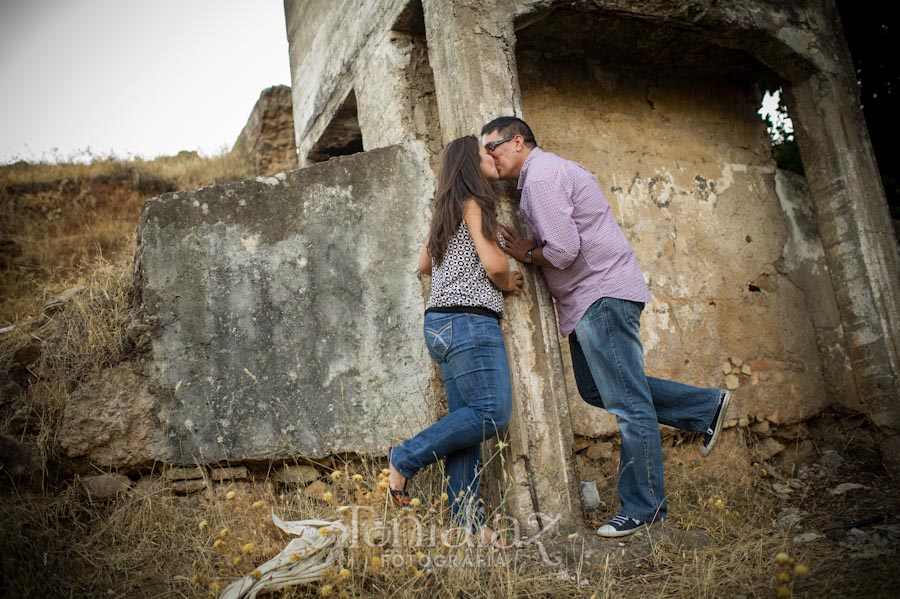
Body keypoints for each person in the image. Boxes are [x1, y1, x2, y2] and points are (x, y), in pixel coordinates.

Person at [480, 116, 732, 538]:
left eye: (493, 148)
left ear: (517, 141)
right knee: (596, 389)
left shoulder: (541, 177)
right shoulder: (544, 174)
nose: (490, 157)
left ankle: (645, 509)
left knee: (629, 405)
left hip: (602, 294)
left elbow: (563, 250)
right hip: (590, 299)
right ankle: (704, 408)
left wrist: (527, 251)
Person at [387, 135, 524, 546]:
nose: (491, 155)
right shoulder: (474, 204)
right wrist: (507, 282)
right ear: (469, 163)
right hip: (469, 322)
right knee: (491, 414)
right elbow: (495, 264)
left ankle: (470, 525)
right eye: (484, 152)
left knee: (465, 428)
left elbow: (423, 263)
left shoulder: (445, 211)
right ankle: (406, 456)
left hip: (439, 326)